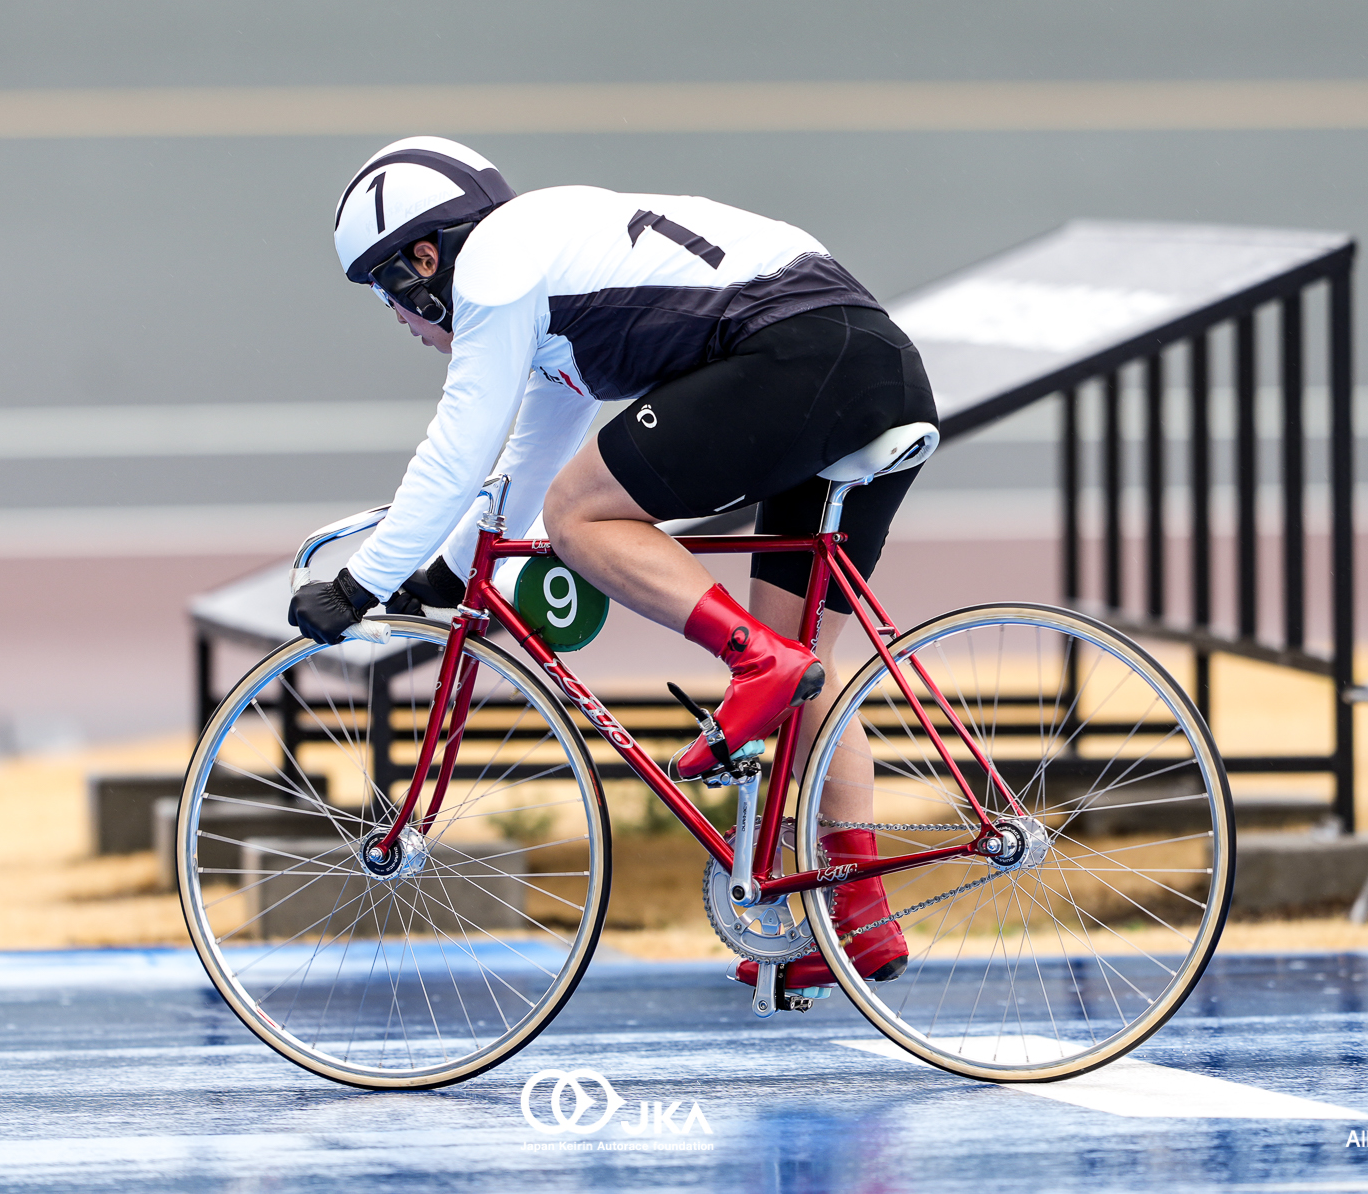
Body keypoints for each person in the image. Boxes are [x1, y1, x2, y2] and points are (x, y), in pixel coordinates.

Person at [291, 137, 934, 993]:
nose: (404, 322)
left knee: (579, 512)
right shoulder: (547, 264)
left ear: (424, 257)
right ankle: (858, 914)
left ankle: (753, 660)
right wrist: (443, 573)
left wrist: (359, 582)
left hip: (796, 357)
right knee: (811, 671)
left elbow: (461, 444)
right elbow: (526, 445)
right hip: (869, 364)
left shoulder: (492, 264)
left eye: (390, 296)